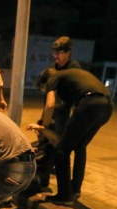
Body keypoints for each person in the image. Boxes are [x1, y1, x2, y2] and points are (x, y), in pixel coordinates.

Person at [28, 68, 113, 205]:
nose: (46, 92)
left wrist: (44, 127)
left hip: (90, 104)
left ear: (44, 82)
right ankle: (74, 189)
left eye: (43, 89)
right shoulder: (69, 82)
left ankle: (64, 195)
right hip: (107, 106)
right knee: (80, 145)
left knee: (62, 150)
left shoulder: (53, 78)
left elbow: (49, 105)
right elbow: (65, 119)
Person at [29, 36, 83, 193]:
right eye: (55, 53)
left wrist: (44, 126)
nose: (57, 57)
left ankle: (73, 186)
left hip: (65, 113)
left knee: (65, 146)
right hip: (53, 112)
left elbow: (70, 96)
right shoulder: (54, 69)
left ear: (68, 52)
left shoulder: (73, 68)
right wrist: (43, 124)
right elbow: (49, 101)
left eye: (60, 53)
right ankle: (46, 170)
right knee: (47, 143)